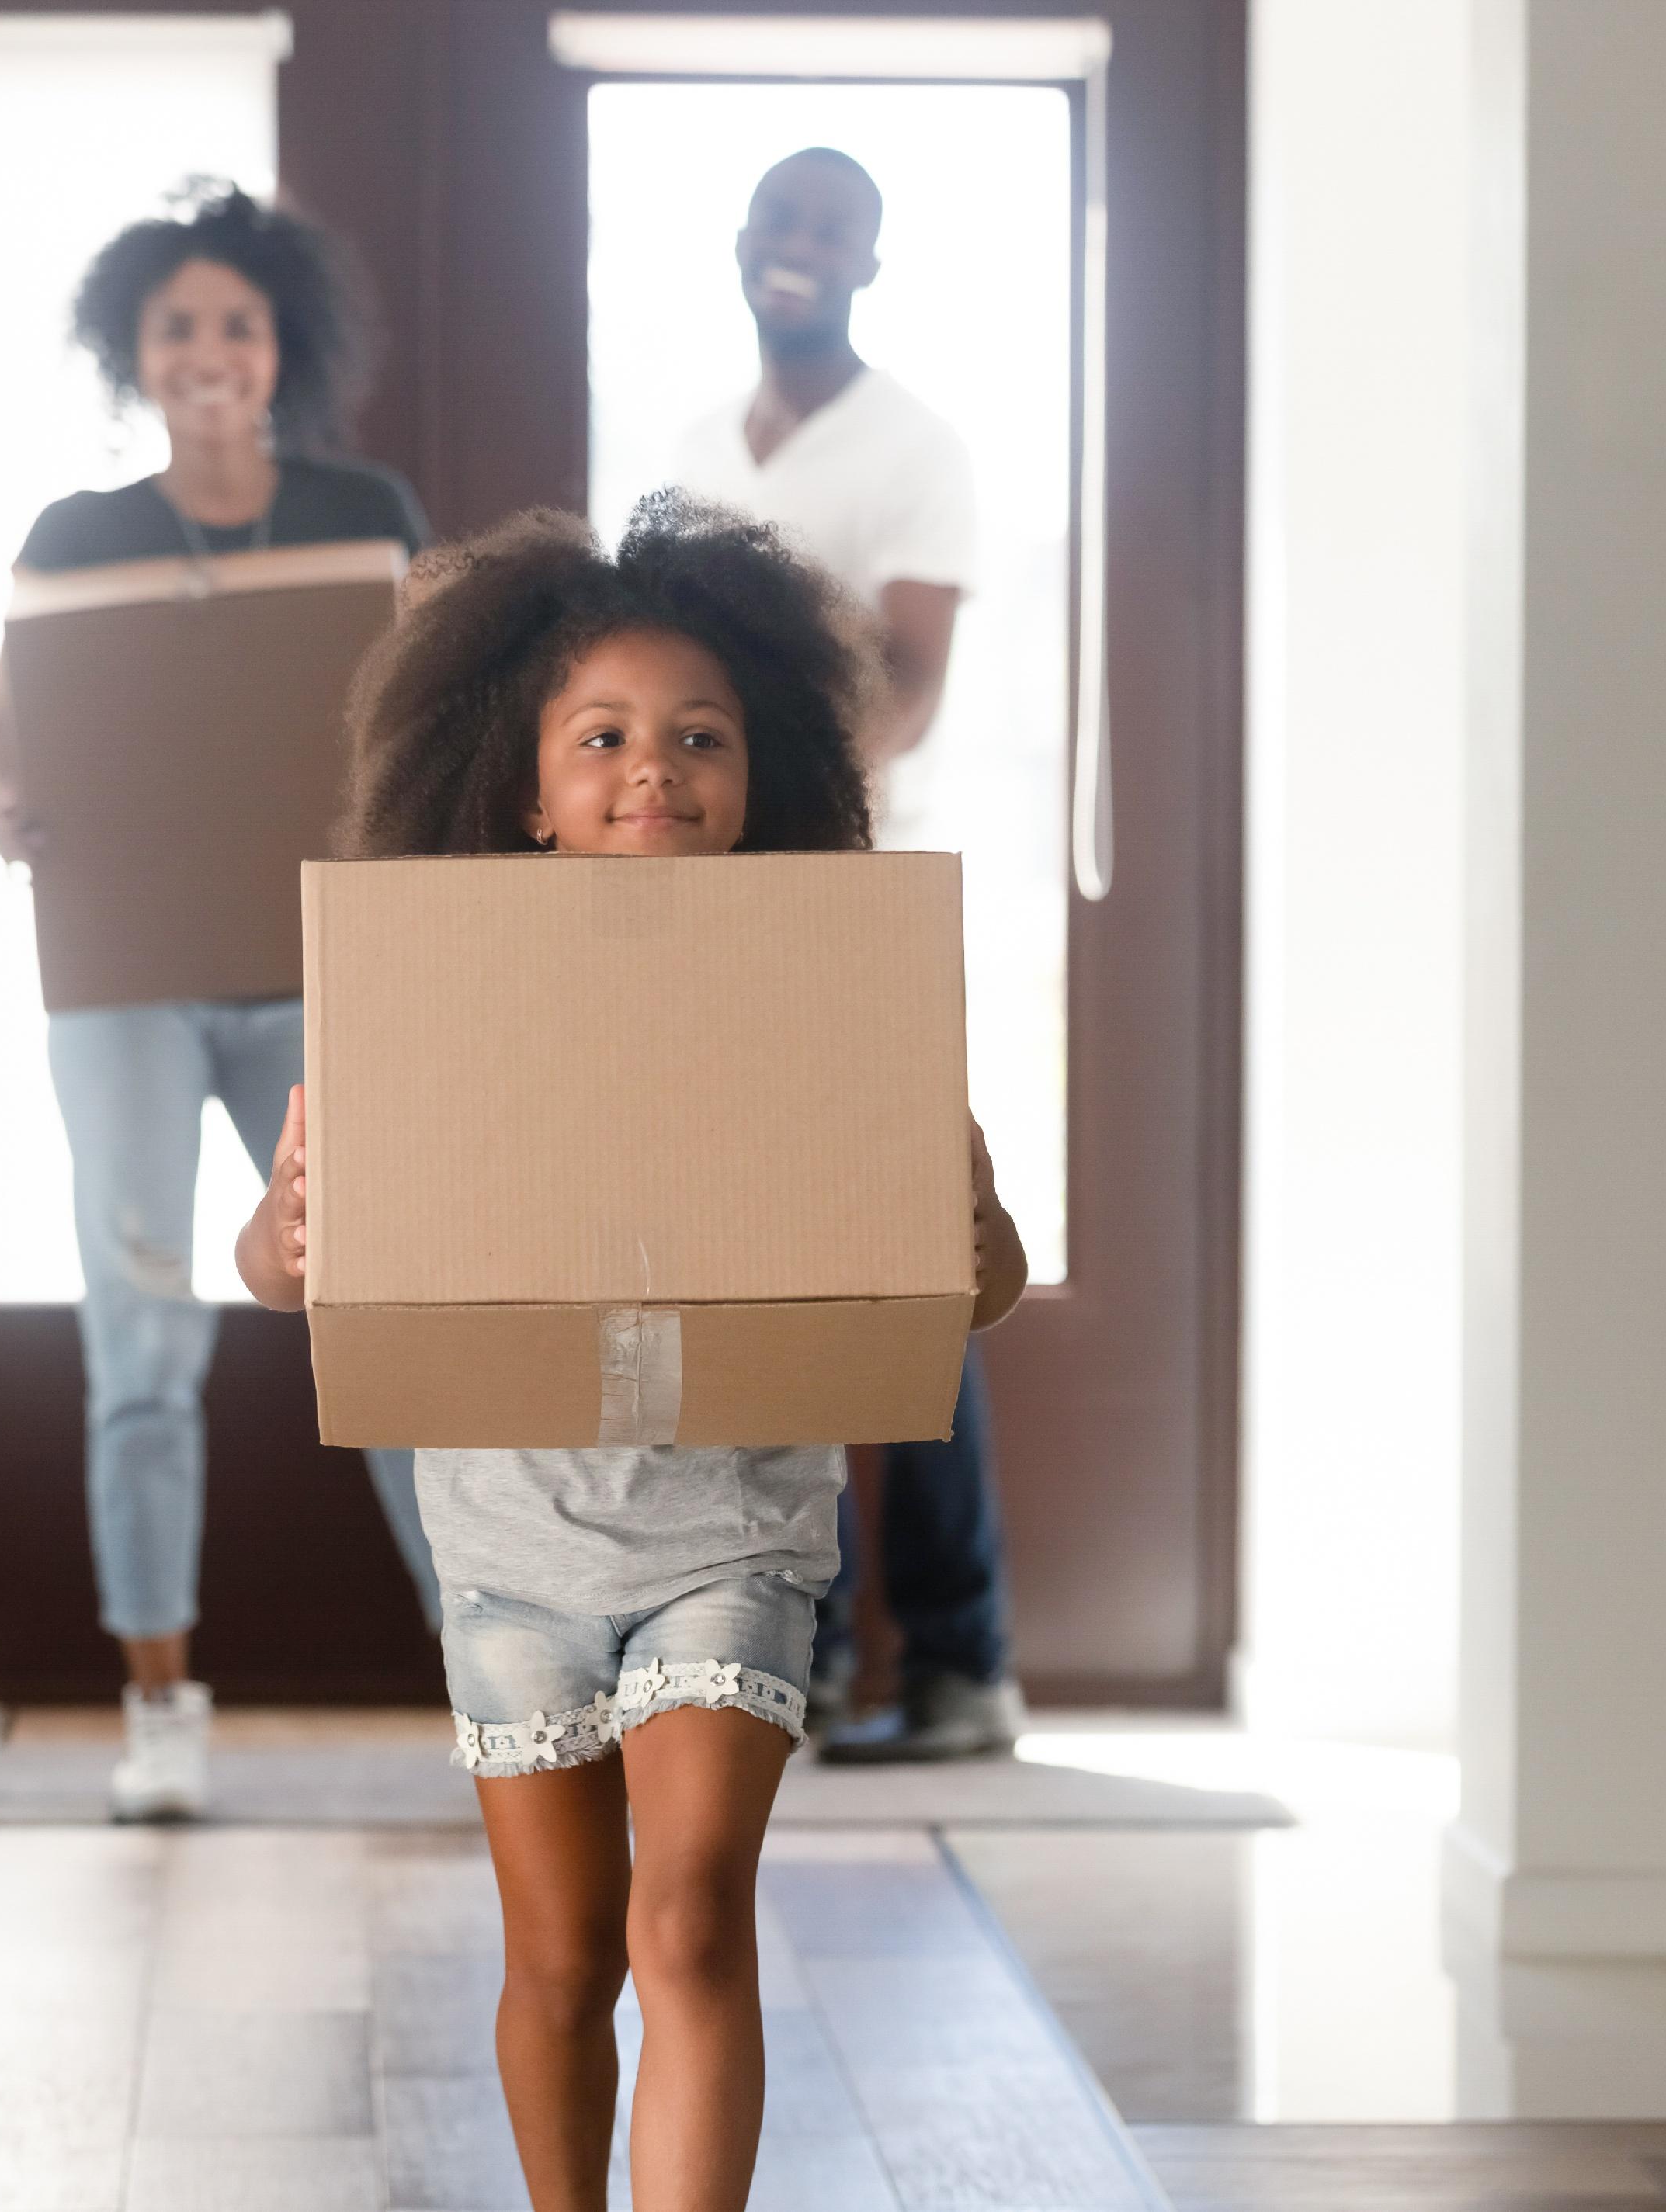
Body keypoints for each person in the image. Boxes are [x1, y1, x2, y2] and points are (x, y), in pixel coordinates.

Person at [237, 494, 1029, 2212]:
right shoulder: (431, 994)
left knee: (689, 1922)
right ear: (524, 786)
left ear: (761, 777)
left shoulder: (829, 990)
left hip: (734, 1535)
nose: (650, 770)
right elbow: (286, 1269)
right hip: (510, 1554)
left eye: (698, 737)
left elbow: (973, 1283)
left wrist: (973, 1231)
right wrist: (286, 1232)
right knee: (560, 1957)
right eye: (600, 738)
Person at [0, 183, 439, 1822]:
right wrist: (5, 803)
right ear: (136, 352)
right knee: (142, 1342)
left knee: (392, 1320)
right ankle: (160, 1708)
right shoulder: (75, 537)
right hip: (127, 989)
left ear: (282, 343)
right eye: (178, 326)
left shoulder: (367, 509)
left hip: (324, 974)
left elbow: (443, 718)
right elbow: (0, 741)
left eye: (236, 322)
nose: (209, 351)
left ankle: (500, 1689)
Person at [664, 147, 1025, 1760]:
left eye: (831, 230)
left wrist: (797, 822)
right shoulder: (686, 456)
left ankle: (958, 1663)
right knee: (764, 1273)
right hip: (712, 921)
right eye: (777, 222)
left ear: (867, 264)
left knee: (906, 1269)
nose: (796, 249)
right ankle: (800, 1661)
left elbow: (912, 687)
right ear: (740, 246)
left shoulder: (912, 449)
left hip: (858, 902)